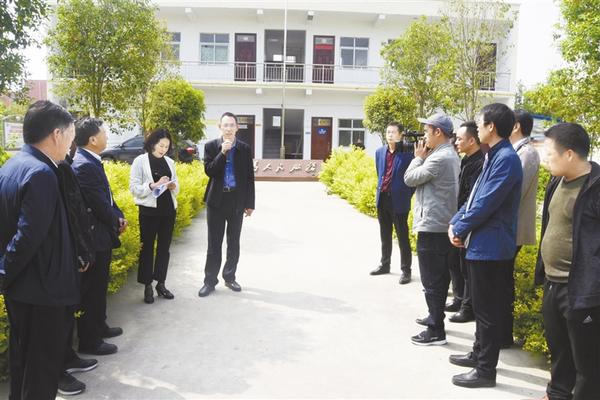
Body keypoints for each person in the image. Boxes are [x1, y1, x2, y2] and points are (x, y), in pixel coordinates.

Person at [0, 100, 78, 399]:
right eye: (70, 136)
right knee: (41, 371)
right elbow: (27, 236)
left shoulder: (13, 165)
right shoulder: (42, 173)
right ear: (57, 134)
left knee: (23, 361)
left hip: (22, 288)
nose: (70, 145)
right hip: (43, 291)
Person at [448, 103, 522, 388]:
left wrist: (460, 227)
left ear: (491, 127)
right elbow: (473, 198)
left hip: (492, 247)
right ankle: (478, 354)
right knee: (481, 307)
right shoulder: (494, 155)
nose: (477, 128)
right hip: (481, 244)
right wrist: (456, 222)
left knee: (488, 311)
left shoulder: (506, 159)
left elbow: (486, 203)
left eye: (479, 124)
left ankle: (485, 370)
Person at [536, 123, 600, 400]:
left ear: (570, 154)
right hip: (553, 283)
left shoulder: (595, 188)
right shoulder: (557, 181)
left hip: (582, 291)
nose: (546, 159)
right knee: (559, 349)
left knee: (587, 362)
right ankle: (557, 394)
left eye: (550, 153)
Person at [404, 113, 460, 345]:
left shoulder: (439, 158)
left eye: (427, 131)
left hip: (434, 226)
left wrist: (418, 158)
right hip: (440, 224)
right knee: (439, 277)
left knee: (432, 280)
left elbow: (409, 178)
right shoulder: (447, 154)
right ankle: (434, 316)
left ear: (438, 132)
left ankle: (436, 330)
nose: (424, 136)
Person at [72, 117, 126, 355]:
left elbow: (107, 199)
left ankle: (100, 325)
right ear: (93, 139)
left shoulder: (91, 160)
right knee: (91, 290)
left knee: (99, 285)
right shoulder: (83, 165)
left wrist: (118, 216)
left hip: (102, 233)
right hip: (94, 237)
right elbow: (98, 204)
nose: (107, 136)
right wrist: (115, 221)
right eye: (104, 132)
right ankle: (89, 340)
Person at [198, 112, 255, 297]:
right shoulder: (211, 146)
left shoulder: (244, 149)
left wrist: (250, 203)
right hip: (216, 200)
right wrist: (222, 152)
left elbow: (249, 177)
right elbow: (210, 171)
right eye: (225, 125)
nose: (229, 128)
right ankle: (209, 281)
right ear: (220, 127)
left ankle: (230, 277)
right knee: (214, 244)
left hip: (236, 201)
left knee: (233, 242)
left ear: (237, 127)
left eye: (232, 125)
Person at [501, 110, 540, 346]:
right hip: (508, 227)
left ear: (515, 126)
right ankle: (502, 333)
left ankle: (503, 334)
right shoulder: (517, 150)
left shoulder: (527, 153)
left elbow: (514, 191)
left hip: (512, 228)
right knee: (502, 281)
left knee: (503, 283)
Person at [130, 129, 179, 304]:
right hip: (149, 212)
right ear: (152, 143)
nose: (163, 149)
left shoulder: (170, 162)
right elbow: (134, 188)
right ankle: (147, 285)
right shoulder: (140, 161)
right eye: (161, 145)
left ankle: (161, 283)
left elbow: (177, 186)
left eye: (166, 146)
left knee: (164, 248)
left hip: (168, 211)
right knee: (147, 248)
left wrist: (173, 186)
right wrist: (153, 185)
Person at [447, 121, 484, 323]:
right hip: (459, 218)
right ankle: (459, 298)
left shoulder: (480, 163)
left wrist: (461, 225)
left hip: (467, 221)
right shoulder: (466, 160)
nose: (456, 142)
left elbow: (472, 199)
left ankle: (467, 308)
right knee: (455, 262)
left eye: (460, 139)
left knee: (467, 267)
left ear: (472, 141)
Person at [370, 122, 414, 284]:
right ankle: (385, 264)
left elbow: (413, 179)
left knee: (402, 236)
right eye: (388, 132)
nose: (390, 135)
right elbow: (379, 173)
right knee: (385, 234)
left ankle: (406, 270)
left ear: (400, 135)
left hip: (399, 200)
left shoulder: (408, 154)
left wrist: (406, 194)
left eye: (393, 132)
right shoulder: (379, 152)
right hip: (383, 198)